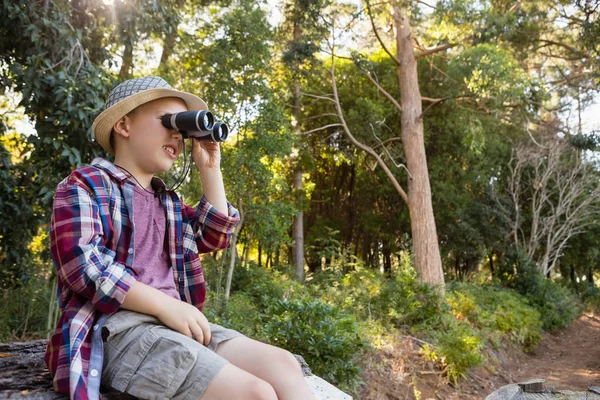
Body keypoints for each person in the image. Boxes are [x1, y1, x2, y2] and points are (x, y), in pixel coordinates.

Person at [44, 76, 317, 400]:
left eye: (183, 128)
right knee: (254, 393)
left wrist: (210, 168)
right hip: (118, 332)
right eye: (168, 121)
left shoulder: (168, 204)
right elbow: (84, 266)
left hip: (175, 326)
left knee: (284, 365)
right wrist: (165, 306)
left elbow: (214, 235)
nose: (177, 134)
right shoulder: (84, 185)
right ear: (124, 125)